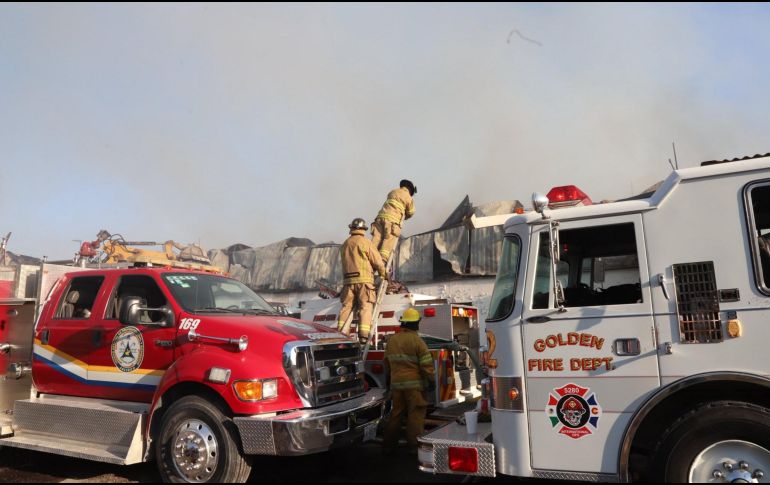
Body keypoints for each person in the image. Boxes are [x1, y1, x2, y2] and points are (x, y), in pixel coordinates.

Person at [382, 307, 435, 455]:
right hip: (414, 386)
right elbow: (426, 365)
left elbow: (386, 362)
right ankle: (413, 447)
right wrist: (431, 380)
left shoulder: (393, 340)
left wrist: (389, 381)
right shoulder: (418, 341)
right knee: (415, 415)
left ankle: (388, 446)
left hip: (396, 385)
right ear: (415, 324)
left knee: (396, 414)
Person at [337, 218, 387, 343]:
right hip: (364, 281)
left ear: (351, 229)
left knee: (346, 307)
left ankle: (341, 333)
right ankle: (364, 335)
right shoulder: (366, 242)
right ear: (363, 229)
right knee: (366, 306)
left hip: (348, 283)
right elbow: (378, 262)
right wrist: (384, 274)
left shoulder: (344, 244)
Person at [371, 180, 416, 265]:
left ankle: (370, 258)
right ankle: (382, 262)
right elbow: (411, 212)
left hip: (379, 219)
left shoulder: (392, 192)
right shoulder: (408, 196)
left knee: (376, 239)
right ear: (410, 190)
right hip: (392, 221)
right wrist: (405, 214)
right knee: (388, 240)